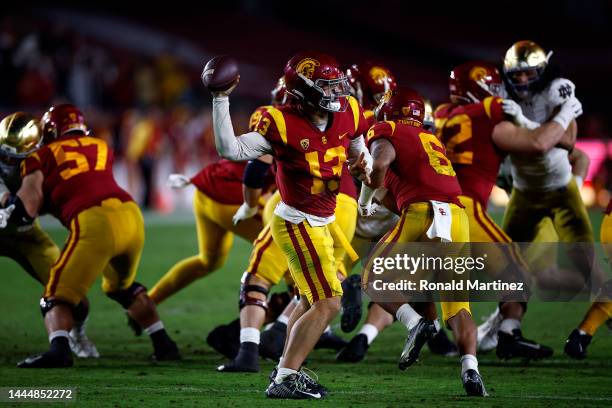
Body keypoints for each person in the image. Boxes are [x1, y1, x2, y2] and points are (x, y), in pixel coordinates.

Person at [209, 51, 372, 399]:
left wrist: (365, 164)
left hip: (324, 221)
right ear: (304, 91)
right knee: (328, 302)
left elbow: (358, 141)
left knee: (307, 298)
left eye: (336, 85)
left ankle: (285, 372)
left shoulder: (349, 111)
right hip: (297, 221)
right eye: (326, 87)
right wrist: (221, 99)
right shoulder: (279, 122)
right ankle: (285, 378)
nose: (336, 94)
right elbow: (230, 149)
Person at [0, 104, 179, 368]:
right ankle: (165, 344)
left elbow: (28, 208)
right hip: (130, 215)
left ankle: (59, 351)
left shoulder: (41, 156)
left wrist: (11, 208)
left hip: (95, 222)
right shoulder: (101, 146)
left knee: (56, 296)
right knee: (122, 288)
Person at [358, 86, 486, 396]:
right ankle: (471, 368)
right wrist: (374, 196)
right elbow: (399, 195)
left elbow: (380, 164)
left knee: (373, 278)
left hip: (423, 212)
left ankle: (415, 322)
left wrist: (368, 181)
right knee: (457, 303)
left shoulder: (387, 129)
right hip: (456, 216)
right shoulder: (430, 139)